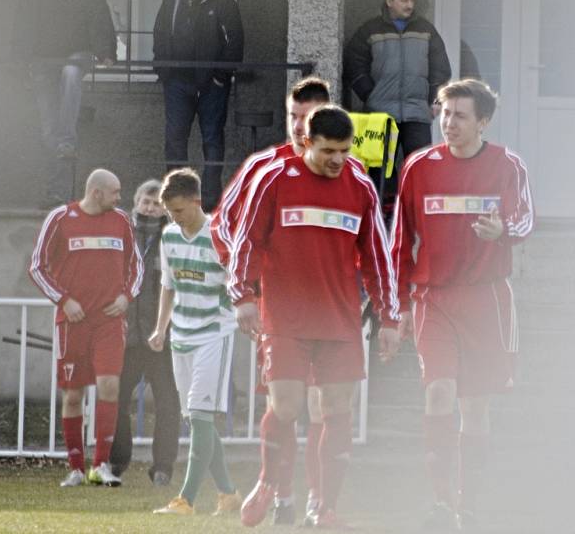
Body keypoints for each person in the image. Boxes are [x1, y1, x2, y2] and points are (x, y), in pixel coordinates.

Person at [228, 105, 401, 528]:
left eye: (344, 150)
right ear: (306, 142)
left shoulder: (359, 183)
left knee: (337, 410)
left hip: (340, 317)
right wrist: (243, 296)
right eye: (328, 150)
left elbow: (377, 255)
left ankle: (324, 505)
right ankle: (270, 482)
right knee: (285, 405)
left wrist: (389, 318)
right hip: (284, 316)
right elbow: (246, 239)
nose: (337, 159)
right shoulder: (273, 179)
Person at [390, 79, 534, 530]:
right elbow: (399, 241)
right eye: (444, 112)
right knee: (438, 393)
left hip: (486, 299)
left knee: (474, 407)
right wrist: (396, 308)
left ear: (483, 122)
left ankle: (468, 506)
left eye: (460, 116)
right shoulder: (419, 166)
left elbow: (526, 217)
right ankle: (440, 501)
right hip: (434, 297)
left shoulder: (506, 164)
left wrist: (504, 231)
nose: (448, 123)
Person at [211, 76, 336, 524]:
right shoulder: (264, 166)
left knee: (325, 404)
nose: (301, 127)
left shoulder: (345, 168)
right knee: (283, 404)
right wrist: (249, 283)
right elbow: (224, 226)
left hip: (330, 308)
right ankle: (281, 494)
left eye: (310, 118)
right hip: (278, 306)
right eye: (294, 117)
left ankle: (320, 502)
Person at [29, 168, 143, 488]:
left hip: (109, 321)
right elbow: (37, 266)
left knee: (109, 385)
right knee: (73, 394)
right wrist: (64, 300)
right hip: (73, 323)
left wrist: (126, 296)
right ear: (96, 193)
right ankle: (76, 468)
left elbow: (137, 266)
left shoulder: (121, 220)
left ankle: (101, 465)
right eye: (115, 192)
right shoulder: (60, 218)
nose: (120, 198)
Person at [150, 168, 242, 517]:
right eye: (171, 212)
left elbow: (241, 281)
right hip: (181, 336)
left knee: (202, 416)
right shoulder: (169, 236)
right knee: (196, 419)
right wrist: (161, 328)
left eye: (180, 209)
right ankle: (229, 494)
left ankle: (185, 500)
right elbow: (168, 285)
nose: (175, 217)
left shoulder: (220, 235)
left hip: (214, 334)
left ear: (195, 201)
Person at [12, 0, 116, 208]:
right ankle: (57, 193)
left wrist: (106, 51)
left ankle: (67, 140)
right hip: (44, 58)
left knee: (71, 74)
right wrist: (20, 56)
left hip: (77, 52)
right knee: (48, 130)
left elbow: (99, 15)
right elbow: (24, 19)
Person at [344, 0, 451, 210]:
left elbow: (440, 68)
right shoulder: (370, 30)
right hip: (381, 112)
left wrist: (434, 99)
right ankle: (379, 216)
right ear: (389, 1)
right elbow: (354, 63)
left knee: (420, 167)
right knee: (380, 171)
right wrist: (369, 94)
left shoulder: (426, 30)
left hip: (417, 112)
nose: (409, 5)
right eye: (404, 0)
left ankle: (417, 214)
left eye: (411, 0)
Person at [153, 0, 244, 213]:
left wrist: (220, 76)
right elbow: (159, 34)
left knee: (212, 140)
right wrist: (164, 72)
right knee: (175, 139)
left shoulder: (224, 2)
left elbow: (235, 42)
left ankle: (211, 201)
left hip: (212, 84)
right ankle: (177, 198)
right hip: (177, 82)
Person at [109, 179, 180, 486]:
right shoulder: (119, 234)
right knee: (116, 400)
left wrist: (166, 329)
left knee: (168, 403)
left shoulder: (174, 238)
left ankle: (163, 467)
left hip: (162, 338)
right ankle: (116, 461)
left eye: (156, 203)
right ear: (135, 202)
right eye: (145, 202)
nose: (150, 208)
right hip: (125, 337)